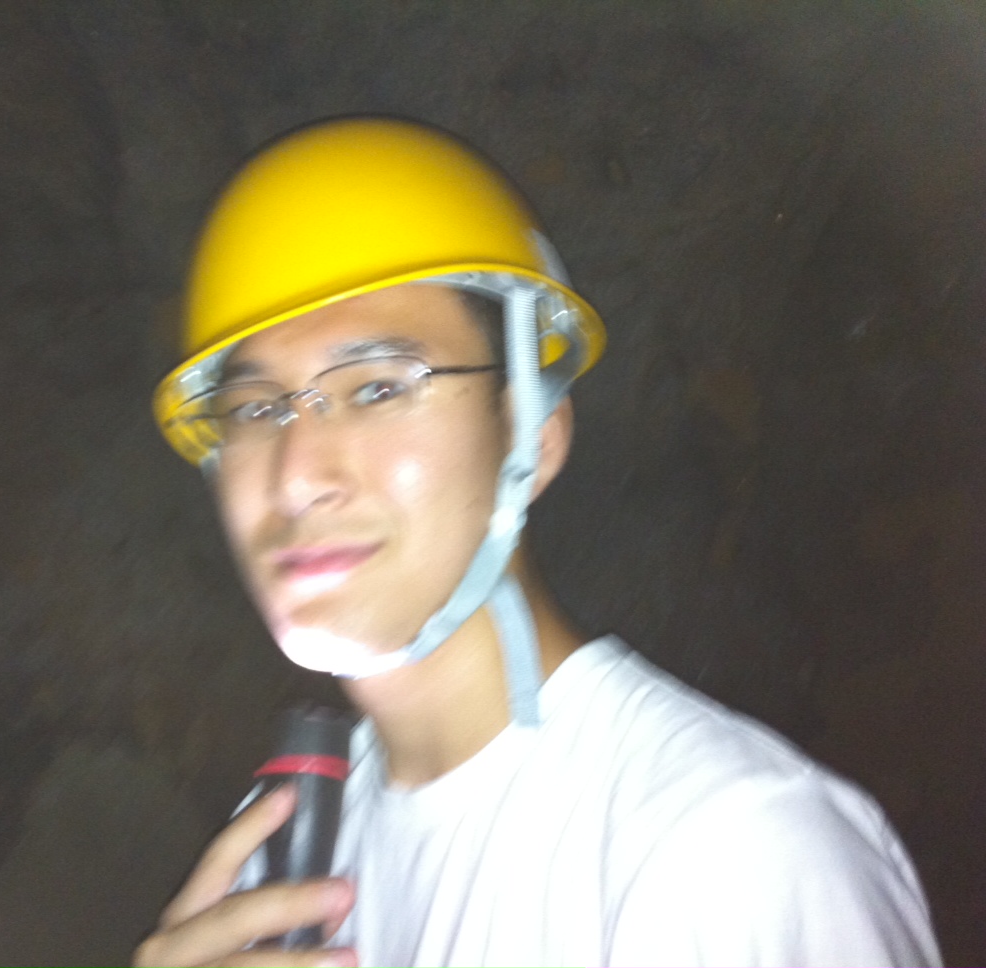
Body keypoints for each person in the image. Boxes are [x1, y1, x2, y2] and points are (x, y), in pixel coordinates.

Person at [134, 117, 941, 968]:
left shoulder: (726, 853)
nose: (296, 477)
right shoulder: (276, 863)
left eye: (377, 389)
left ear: (532, 436)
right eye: (256, 409)